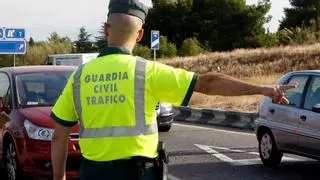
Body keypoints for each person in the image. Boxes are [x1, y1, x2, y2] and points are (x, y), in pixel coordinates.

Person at [50, 0, 297, 180]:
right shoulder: (146, 72)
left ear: (106, 29)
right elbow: (209, 83)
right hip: (138, 174)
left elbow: (59, 135)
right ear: (140, 35)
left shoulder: (79, 77)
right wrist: (265, 88)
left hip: (93, 173)